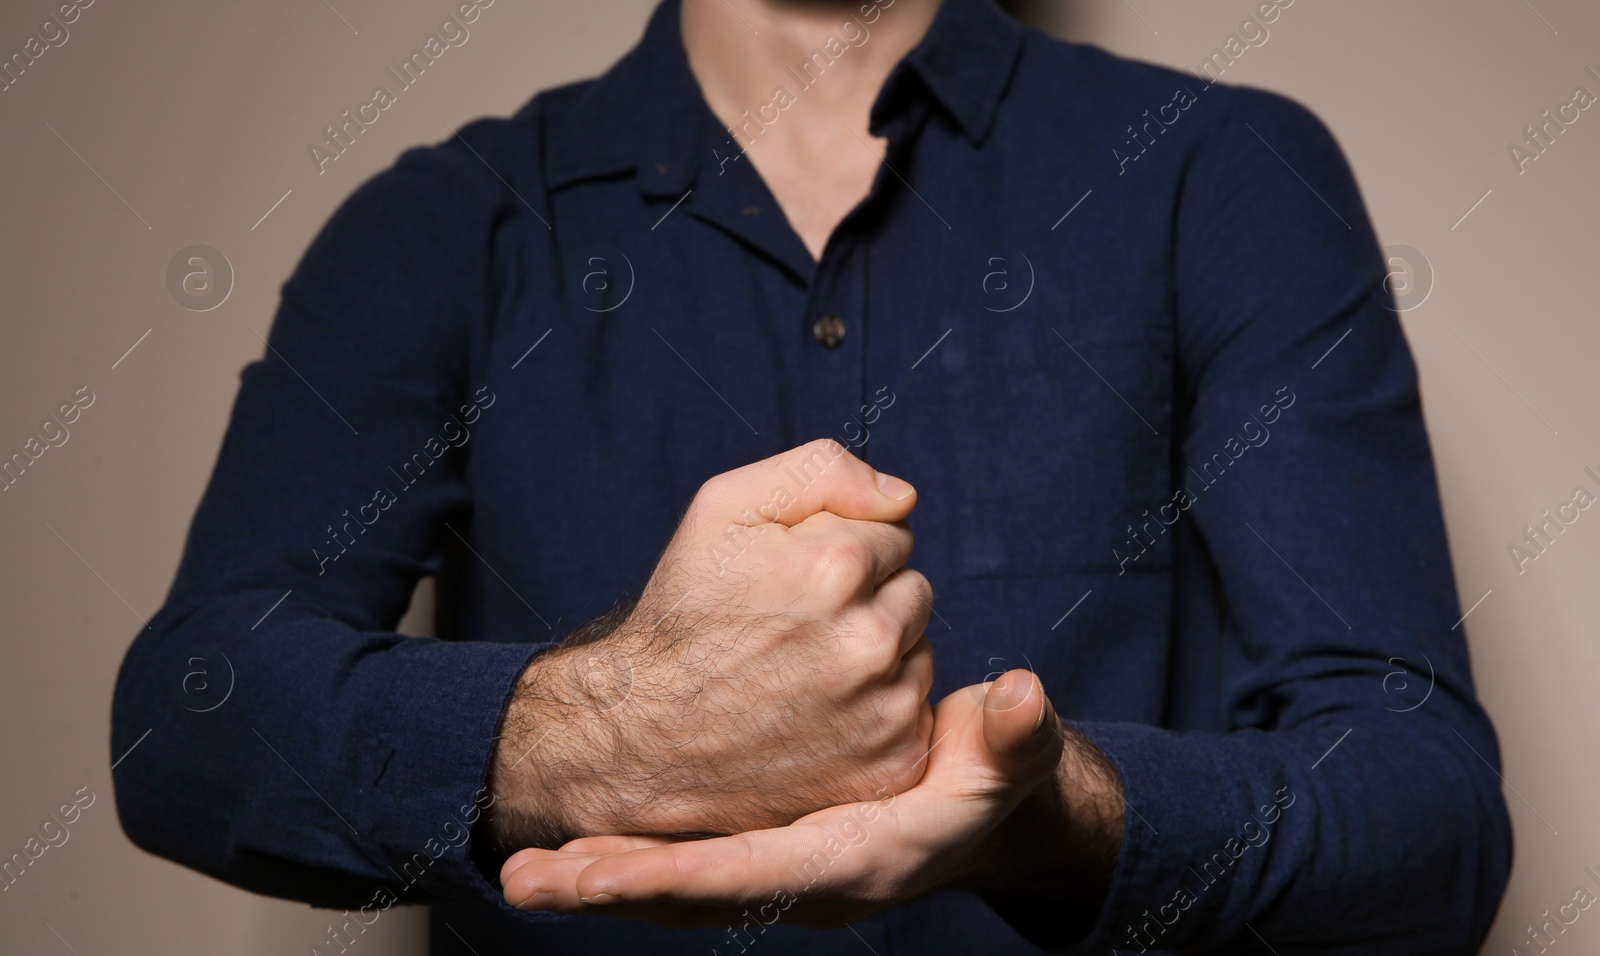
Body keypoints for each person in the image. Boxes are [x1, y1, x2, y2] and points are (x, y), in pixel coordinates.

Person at [110, 0, 1512, 952]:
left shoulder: (1227, 172)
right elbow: (183, 722)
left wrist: (1060, 816)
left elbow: (1429, 813)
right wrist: (602, 731)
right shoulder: (442, 224)